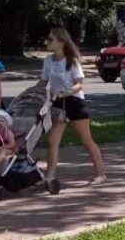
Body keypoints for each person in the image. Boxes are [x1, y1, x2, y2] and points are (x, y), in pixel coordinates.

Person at [42, 28, 107, 186]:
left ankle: (100, 174)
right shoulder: (48, 61)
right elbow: (43, 82)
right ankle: (50, 176)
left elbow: (78, 84)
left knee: (86, 140)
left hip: (74, 103)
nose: (47, 42)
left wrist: (67, 91)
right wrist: (33, 92)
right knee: (52, 140)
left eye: (50, 39)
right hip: (58, 103)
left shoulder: (71, 61)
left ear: (61, 42)